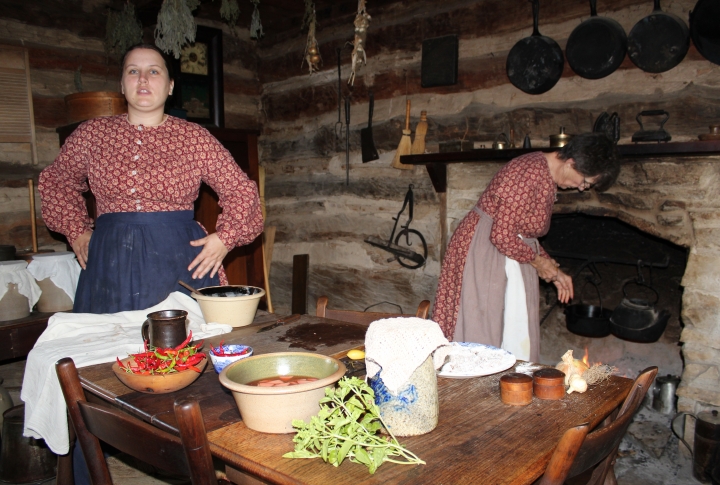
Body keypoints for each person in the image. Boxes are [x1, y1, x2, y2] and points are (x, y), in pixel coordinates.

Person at [39, 44, 264, 314]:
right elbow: (57, 182)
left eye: (153, 71)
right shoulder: (92, 135)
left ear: (170, 86)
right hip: (111, 261)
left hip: (178, 259)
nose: (143, 79)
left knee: (178, 348)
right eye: (133, 71)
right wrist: (76, 232)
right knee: (112, 350)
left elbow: (241, 190)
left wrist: (225, 239)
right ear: (122, 84)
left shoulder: (194, 138)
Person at [432, 133, 620, 362]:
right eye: (584, 181)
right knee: (483, 329)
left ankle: (508, 387)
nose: (581, 188)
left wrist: (553, 269)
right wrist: (538, 262)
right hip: (485, 252)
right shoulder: (528, 171)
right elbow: (501, 234)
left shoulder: (545, 174)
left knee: (512, 331)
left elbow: (523, 234)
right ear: (571, 163)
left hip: (506, 251)